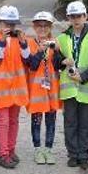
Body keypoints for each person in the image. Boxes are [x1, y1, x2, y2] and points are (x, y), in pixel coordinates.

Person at [57, 1, 88, 170]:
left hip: (85, 88)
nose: (76, 19)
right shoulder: (61, 38)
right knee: (70, 123)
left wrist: (82, 77)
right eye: (73, 16)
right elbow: (56, 61)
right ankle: (73, 154)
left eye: (79, 16)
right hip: (68, 89)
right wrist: (62, 61)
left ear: (86, 17)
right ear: (68, 18)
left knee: (84, 124)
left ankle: (83, 155)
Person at [0, 5, 30, 168]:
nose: (10, 27)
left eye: (13, 24)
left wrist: (24, 43)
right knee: (3, 122)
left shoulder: (20, 39)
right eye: (7, 24)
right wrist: (2, 41)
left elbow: (27, 59)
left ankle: (11, 150)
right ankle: (3, 154)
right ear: (0, 22)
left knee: (14, 121)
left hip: (17, 89)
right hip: (2, 89)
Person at [26, 11, 62, 165]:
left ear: (50, 27)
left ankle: (48, 149)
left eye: (45, 25)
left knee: (51, 120)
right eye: (39, 25)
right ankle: (38, 149)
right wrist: (40, 51)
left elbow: (59, 65)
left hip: (51, 88)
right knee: (36, 120)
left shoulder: (54, 43)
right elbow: (32, 66)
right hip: (36, 89)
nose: (42, 28)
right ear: (34, 27)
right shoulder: (29, 43)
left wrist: (58, 51)